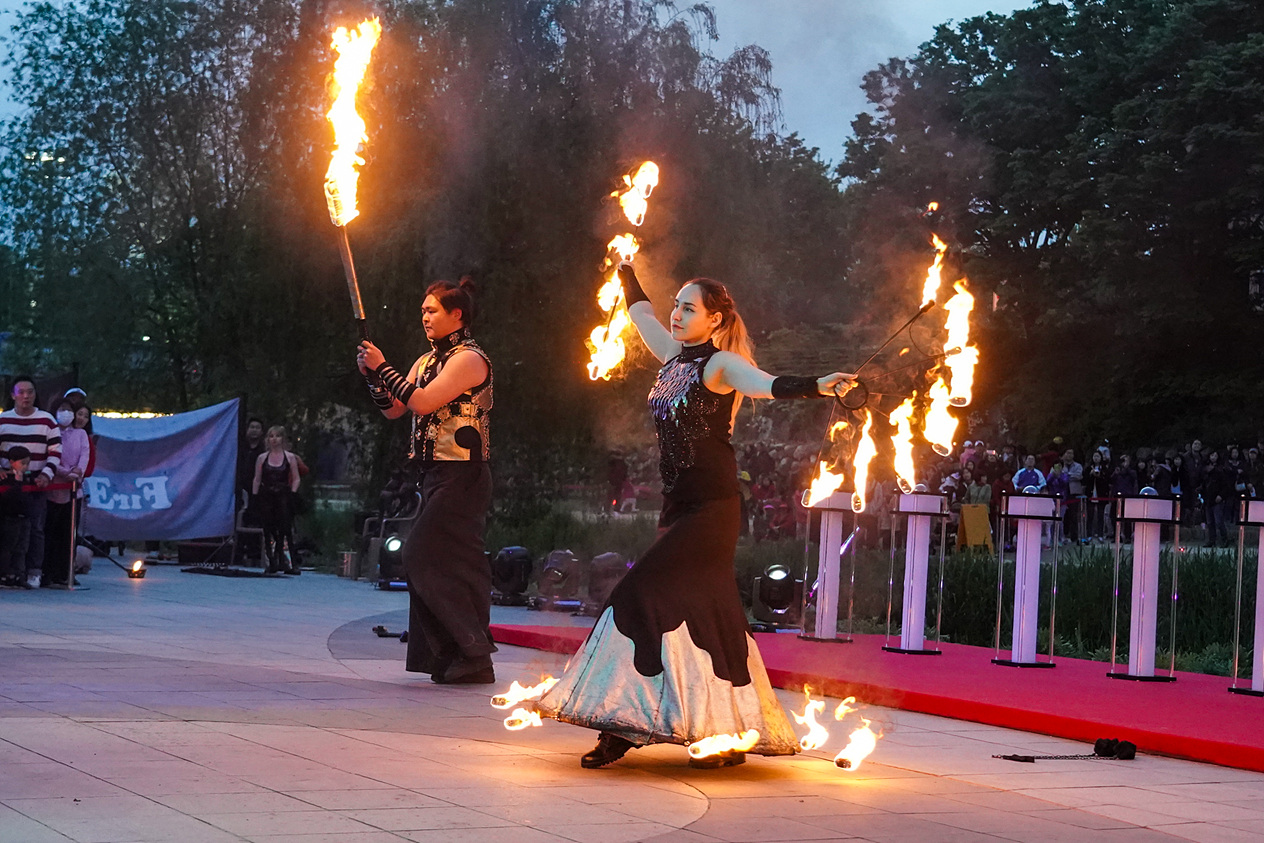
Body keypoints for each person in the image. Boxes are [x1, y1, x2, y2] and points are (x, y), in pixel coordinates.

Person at [534, 264, 853, 769]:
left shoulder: (722, 364)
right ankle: (725, 737)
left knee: (635, 596)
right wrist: (624, 272)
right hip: (677, 505)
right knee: (713, 616)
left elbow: (767, 385)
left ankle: (621, 725)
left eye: (688, 308)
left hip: (712, 507)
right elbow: (640, 314)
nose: (677, 314)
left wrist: (819, 385)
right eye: (676, 305)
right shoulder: (671, 357)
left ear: (715, 318)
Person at [357, 277, 496, 685]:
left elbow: (422, 401)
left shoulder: (469, 359)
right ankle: (457, 655)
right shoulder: (425, 361)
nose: (425, 317)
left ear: (457, 314)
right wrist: (371, 377)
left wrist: (382, 364)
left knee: (421, 552)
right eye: (423, 311)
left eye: (432, 310)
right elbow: (397, 409)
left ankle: (472, 651)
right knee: (448, 562)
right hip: (434, 475)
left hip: (464, 475)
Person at [0, 377, 61, 587]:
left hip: (36, 482)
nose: (26, 396)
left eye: (30, 392)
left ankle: (34, 571)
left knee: (35, 528)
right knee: (7, 528)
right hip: (7, 483)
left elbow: (55, 452)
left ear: (35, 394)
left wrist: (46, 474)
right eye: (21, 392)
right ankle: (7, 571)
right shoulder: (3, 420)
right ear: (13, 395)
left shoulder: (47, 421)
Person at [43, 397, 89, 587]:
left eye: (69, 410)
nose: (66, 414)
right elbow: (50, 454)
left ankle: (65, 572)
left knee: (69, 534)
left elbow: (85, 454)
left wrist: (78, 471)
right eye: (62, 410)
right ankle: (47, 572)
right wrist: (63, 472)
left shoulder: (80, 434)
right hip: (54, 486)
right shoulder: (50, 431)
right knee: (50, 532)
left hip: (74, 490)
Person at [252, 425, 301, 574]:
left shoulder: (290, 457)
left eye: (277, 436)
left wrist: (292, 493)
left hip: (283, 495)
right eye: (271, 436)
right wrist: (254, 498)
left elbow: (296, 478)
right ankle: (271, 561)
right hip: (267, 495)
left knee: (284, 528)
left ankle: (285, 560)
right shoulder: (262, 458)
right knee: (268, 528)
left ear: (283, 438)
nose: (274, 439)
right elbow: (257, 479)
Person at [0, 446, 33, 588]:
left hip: (24, 516)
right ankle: (4, 574)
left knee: (22, 547)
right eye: (22, 463)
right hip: (9, 516)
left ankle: (19, 574)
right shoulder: (5, 478)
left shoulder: (28, 478)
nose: (25, 467)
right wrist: (17, 483)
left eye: (27, 463)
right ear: (12, 462)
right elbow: (7, 497)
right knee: (7, 547)